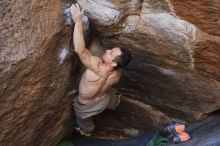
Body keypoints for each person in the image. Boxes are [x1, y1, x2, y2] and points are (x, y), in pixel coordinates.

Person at [70, 3, 131, 136]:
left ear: (114, 63)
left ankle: (86, 132)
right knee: (112, 97)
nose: (107, 50)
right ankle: (116, 102)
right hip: (105, 99)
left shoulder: (96, 67)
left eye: (110, 53)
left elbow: (80, 50)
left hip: (85, 106)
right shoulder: (118, 71)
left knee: (85, 123)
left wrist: (78, 22)